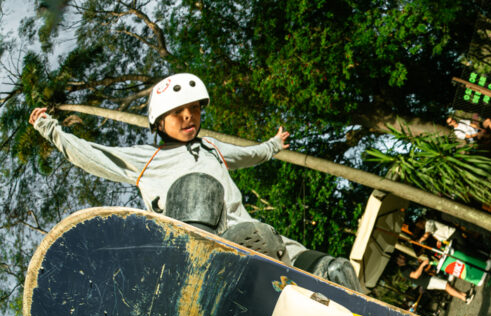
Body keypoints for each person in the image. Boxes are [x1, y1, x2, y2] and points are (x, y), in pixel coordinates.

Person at [29, 73, 360, 289]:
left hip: (258, 243)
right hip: (197, 254)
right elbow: (93, 155)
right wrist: (51, 130)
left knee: (335, 270)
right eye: (178, 113)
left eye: (194, 111)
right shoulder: (147, 158)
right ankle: (206, 275)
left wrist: (273, 145)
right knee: (197, 188)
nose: (188, 117)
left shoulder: (212, 147)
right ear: (160, 123)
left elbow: (251, 153)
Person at [396, 255, 473, 303]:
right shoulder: (404, 270)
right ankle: (464, 298)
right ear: (398, 262)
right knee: (446, 286)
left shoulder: (406, 266)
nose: (403, 257)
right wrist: (422, 265)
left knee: (447, 285)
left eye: (401, 256)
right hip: (427, 281)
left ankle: (464, 294)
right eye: (400, 257)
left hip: (428, 279)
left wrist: (422, 265)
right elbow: (415, 275)